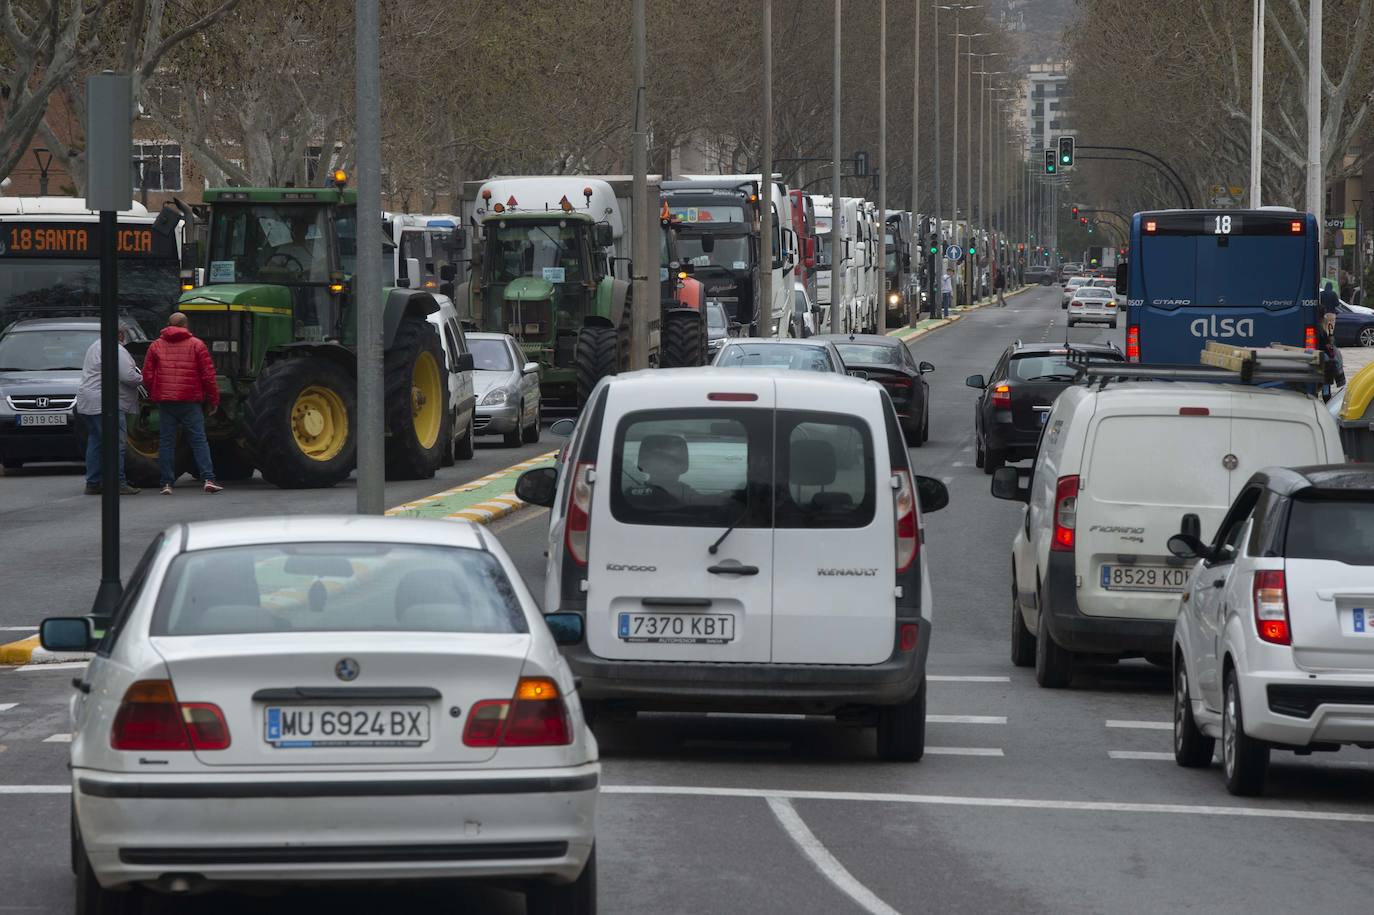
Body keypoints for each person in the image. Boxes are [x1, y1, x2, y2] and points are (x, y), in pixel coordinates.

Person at [142, 313, 222, 494]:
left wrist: (155, 393)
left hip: (166, 401)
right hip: (190, 400)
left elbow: (147, 374)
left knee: (167, 442)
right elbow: (208, 376)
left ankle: (167, 483)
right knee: (199, 440)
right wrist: (213, 399)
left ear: (168, 324)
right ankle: (208, 478)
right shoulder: (197, 345)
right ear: (186, 325)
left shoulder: (156, 346)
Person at [75, 327, 143, 495]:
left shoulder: (95, 346)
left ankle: (93, 482)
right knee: (115, 444)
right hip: (105, 402)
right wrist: (143, 379)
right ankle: (118, 482)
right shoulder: (116, 349)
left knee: (96, 442)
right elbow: (128, 376)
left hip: (87, 400)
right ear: (121, 335)